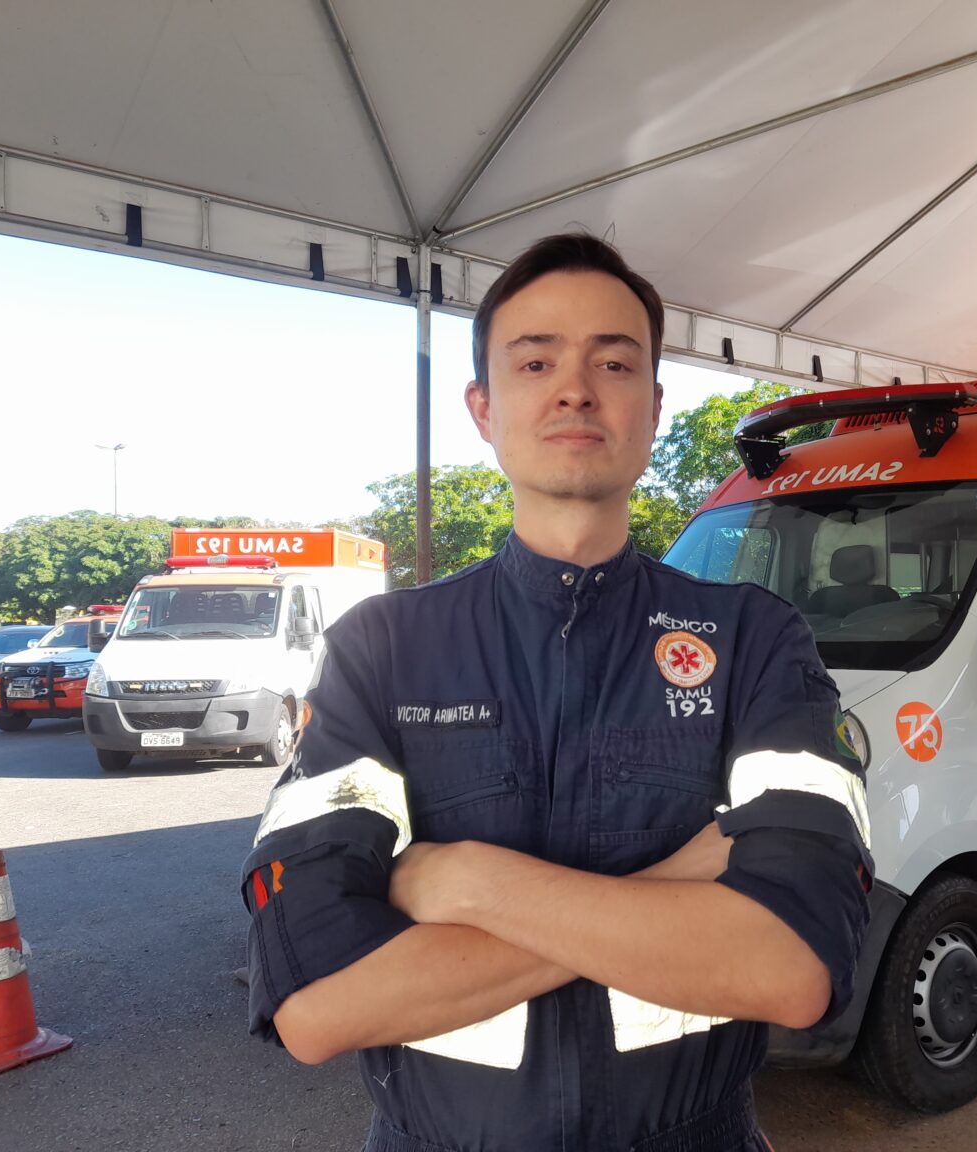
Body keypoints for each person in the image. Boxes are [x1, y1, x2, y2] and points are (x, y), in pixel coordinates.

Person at [241, 233, 873, 1152]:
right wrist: (675, 881)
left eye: (613, 361)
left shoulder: (754, 640)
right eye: (536, 359)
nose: (575, 388)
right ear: (482, 406)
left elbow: (793, 966)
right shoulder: (381, 649)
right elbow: (317, 1007)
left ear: (652, 408)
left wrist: (467, 881)